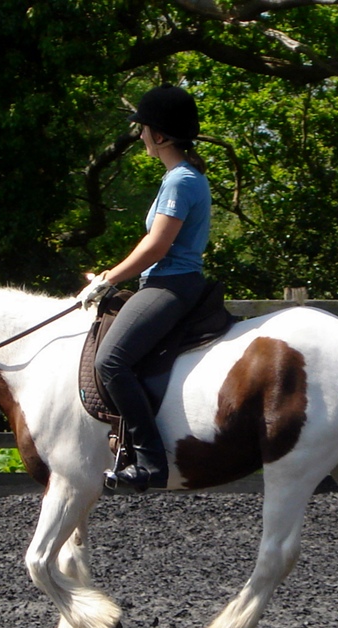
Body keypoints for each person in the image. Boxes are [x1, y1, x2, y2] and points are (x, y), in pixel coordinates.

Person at [79, 84, 211, 492]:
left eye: (143, 129)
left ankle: (149, 462)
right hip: (166, 282)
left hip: (170, 284)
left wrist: (109, 279)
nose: (139, 135)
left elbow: (156, 246)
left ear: (161, 135)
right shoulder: (180, 177)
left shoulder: (180, 181)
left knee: (111, 361)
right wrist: (112, 273)